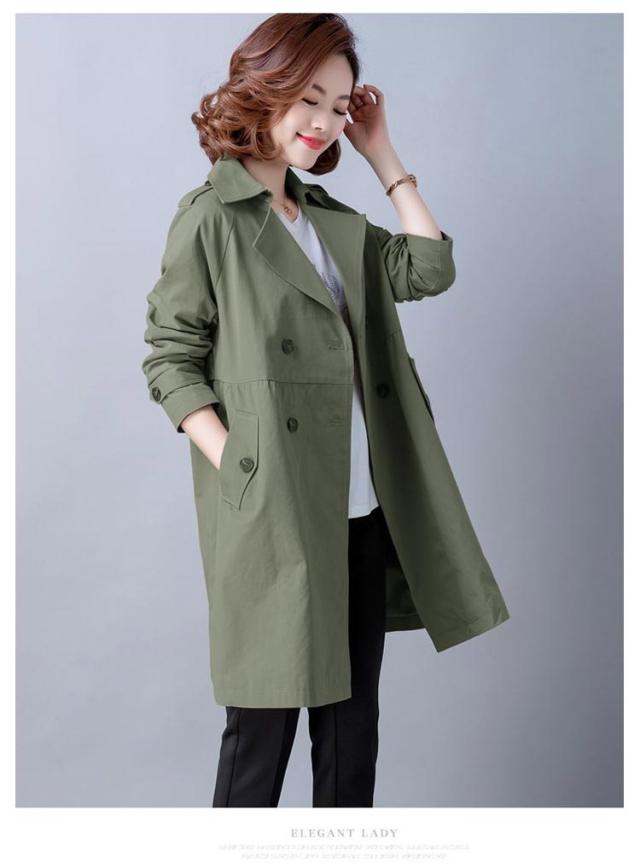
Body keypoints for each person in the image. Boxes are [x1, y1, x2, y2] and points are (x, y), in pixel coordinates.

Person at [142, 12, 510, 808]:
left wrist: (383, 155)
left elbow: (429, 268)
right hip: (275, 509)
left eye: (341, 107)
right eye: (310, 98)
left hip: (360, 509)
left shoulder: (333, 221)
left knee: (351, 732)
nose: (325, 121)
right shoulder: (211, 217)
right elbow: (170, 358)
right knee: (261, 732)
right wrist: (241, 465)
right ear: (264, 89)